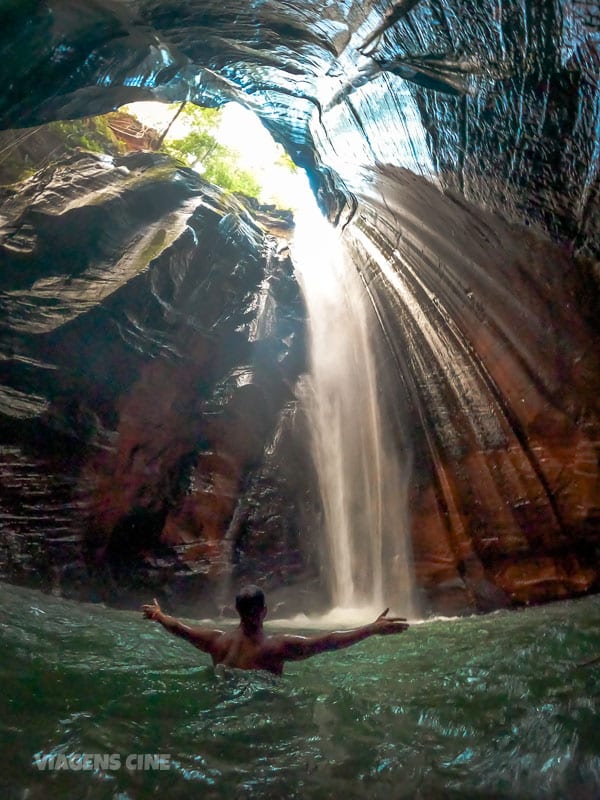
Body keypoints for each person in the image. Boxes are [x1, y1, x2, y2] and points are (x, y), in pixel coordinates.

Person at [142, 584, 409, 675]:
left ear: (236, 611)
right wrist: (372, 628)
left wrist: (158, 614)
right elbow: (329, 641)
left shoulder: (216, 642)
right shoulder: (276, 648)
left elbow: (179, 628)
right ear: (265, 612)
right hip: (264, 707)